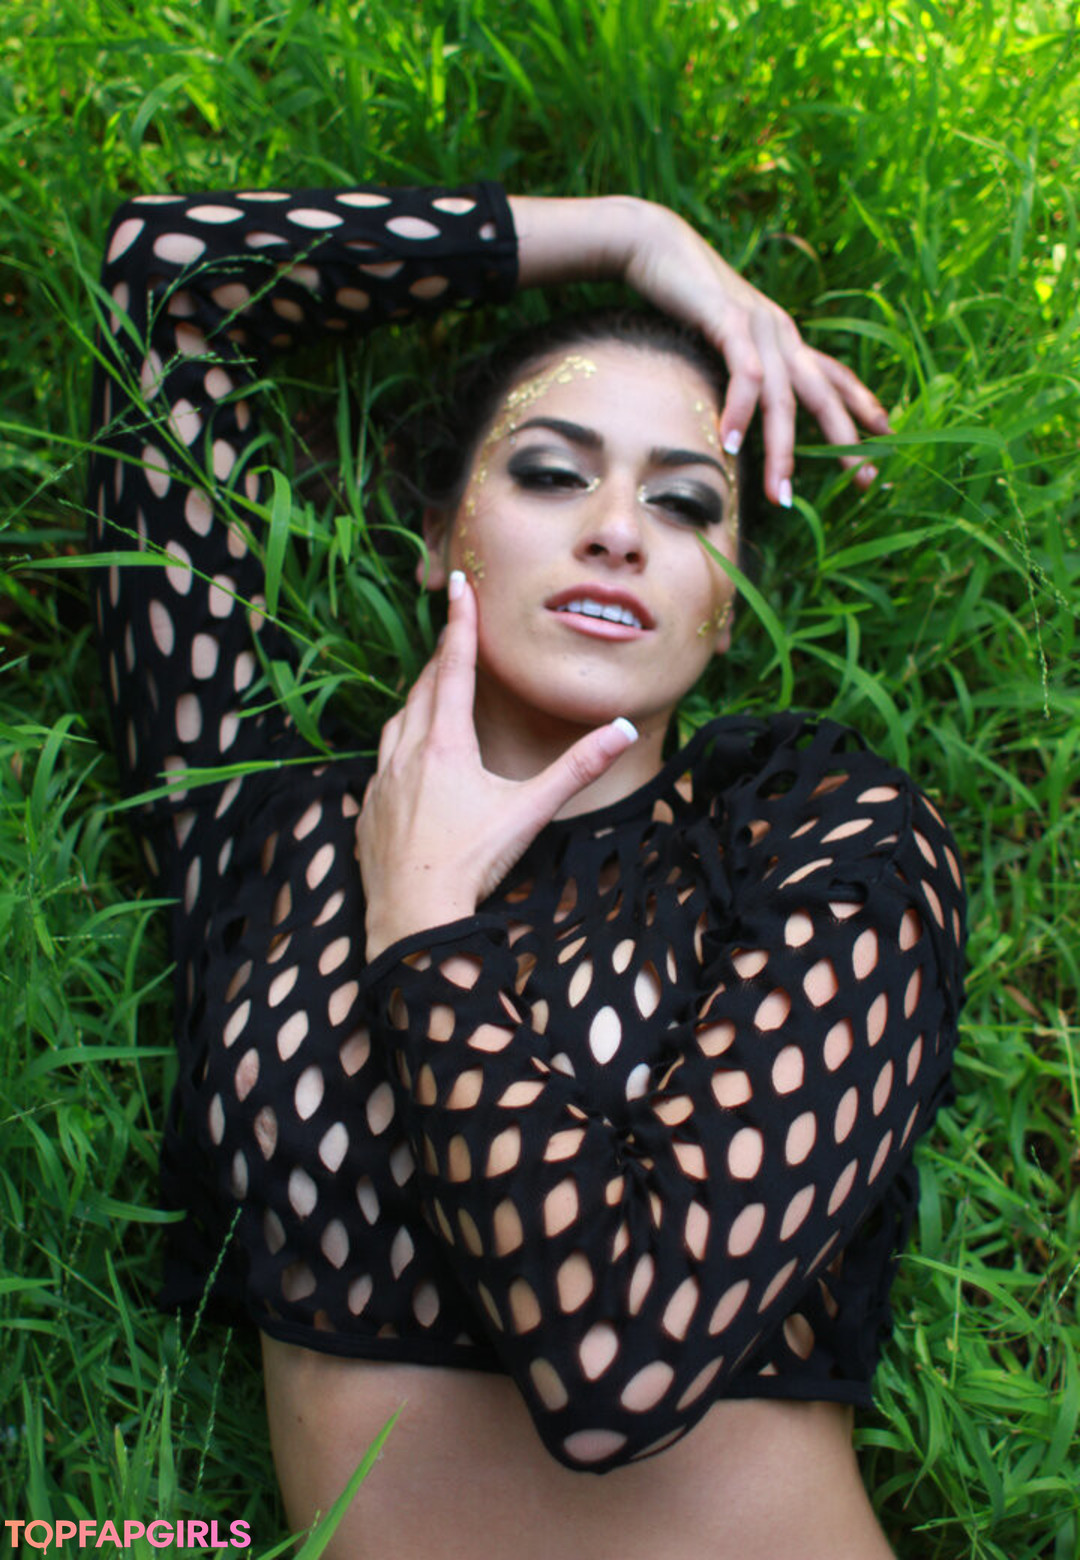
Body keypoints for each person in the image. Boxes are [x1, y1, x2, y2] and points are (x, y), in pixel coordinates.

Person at [88, 179, 966, 1559]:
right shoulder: (261, 830)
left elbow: (617, 1369)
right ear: (442, 536)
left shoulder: (821, 834)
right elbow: (170, 276)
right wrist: (630, 233)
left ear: (727, 609)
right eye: (551, 473)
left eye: (687, 503)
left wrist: (421, 924)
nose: (618, 527)